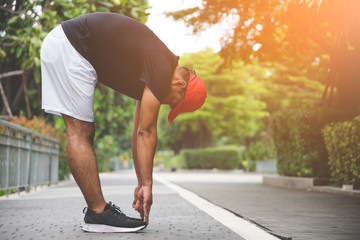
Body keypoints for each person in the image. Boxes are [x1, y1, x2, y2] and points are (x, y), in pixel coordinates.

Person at [40, 12, 207, 233]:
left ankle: (97, 213)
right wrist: (148, 185)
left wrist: (141, 182)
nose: (168, 104)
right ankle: (97, 213)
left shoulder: (157, 67)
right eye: (174, 103)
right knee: (80, 131)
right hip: (72, 46)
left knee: (83, 131)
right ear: (179, 84)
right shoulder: (161, 68)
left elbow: (138, 131)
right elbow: (146, 133)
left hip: (70, 45)